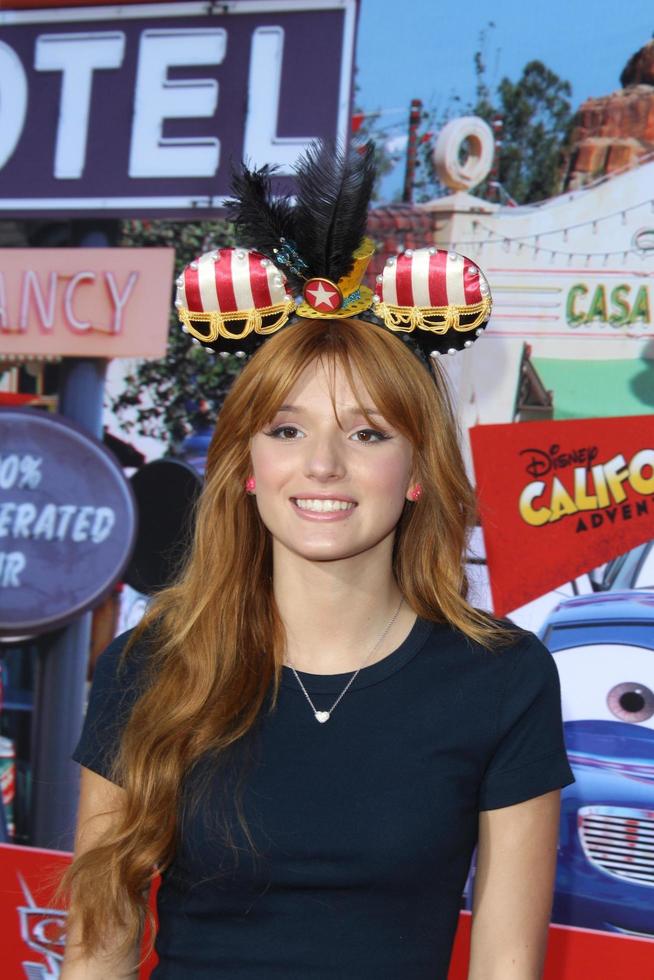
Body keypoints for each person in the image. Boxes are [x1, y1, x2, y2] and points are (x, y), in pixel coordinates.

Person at [59, 145, 574, 979]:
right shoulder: (150, 663)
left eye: (367, 433)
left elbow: (506, 967)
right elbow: (98, 953)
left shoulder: (503, 677)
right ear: (247, 466)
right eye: (288, 430)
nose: (322, 465)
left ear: (416, 471)